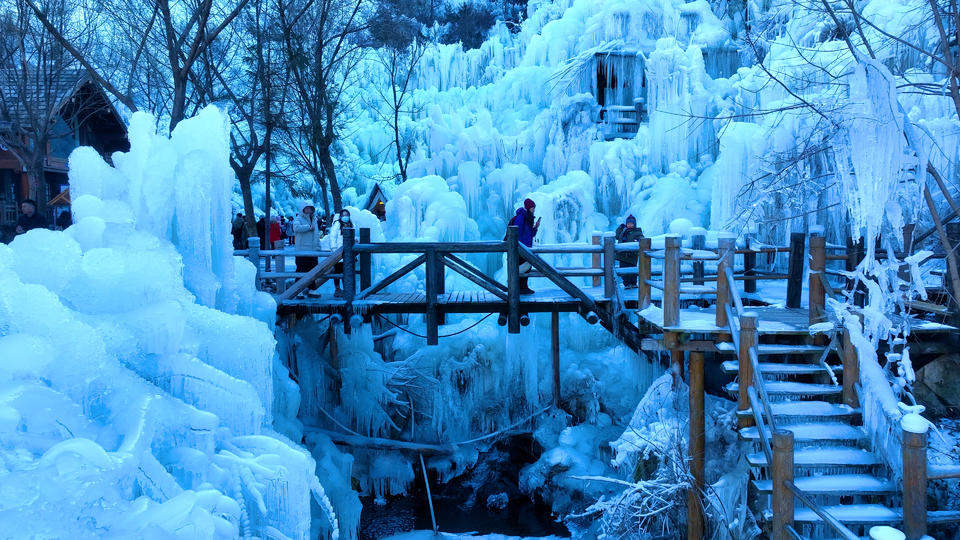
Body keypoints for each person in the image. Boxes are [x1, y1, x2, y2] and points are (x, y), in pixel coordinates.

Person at [506, 198, 540, 295]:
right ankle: (518, 287)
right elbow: (516, 233)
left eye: (534, 208)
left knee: (526, 267)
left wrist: (535, 227)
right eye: (532, 208)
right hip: (520, 248)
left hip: (525, 248)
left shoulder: (528, 218)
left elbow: (530, 235)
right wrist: (520, 247)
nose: (533, 210)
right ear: (528, 208)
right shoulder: (521, 217)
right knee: (523, 267)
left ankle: (522, 287)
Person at [615, 215, 644, 287]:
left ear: (634, 224)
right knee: (623, 269)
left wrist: (639, 240)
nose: (630, 225)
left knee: (633, 270)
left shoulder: (637, 232)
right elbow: (617, 236)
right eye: (628, 224)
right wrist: (620, 228)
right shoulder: (623, 231)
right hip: (622, 255)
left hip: (632, 255)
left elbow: (641, 238)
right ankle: (626, 284)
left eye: (631, 224)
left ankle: (633, 283)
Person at [293, 203, 322, 274]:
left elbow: (316, 234)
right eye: (307, 208)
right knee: (301, 271)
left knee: (313, 272)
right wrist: (308, 227)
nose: (309, 210)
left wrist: (318, 246)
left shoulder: (314, 219)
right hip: (302, 250)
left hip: (313, 250)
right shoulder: (299, 218)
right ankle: (299, 282)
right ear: (302, 209)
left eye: (310, 208)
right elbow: (296, 228)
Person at [330, 209, 353, 297]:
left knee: (346, 271)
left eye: (347, 215)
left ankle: (346, 289)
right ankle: (337, 289)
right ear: (340, 216)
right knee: (337, 271)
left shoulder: (351, 224)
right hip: (339, 252)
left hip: (348, 253)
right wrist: (334, 249)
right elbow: (333, 236)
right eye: (344, 215)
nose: (345, 217)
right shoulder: (337, 224)